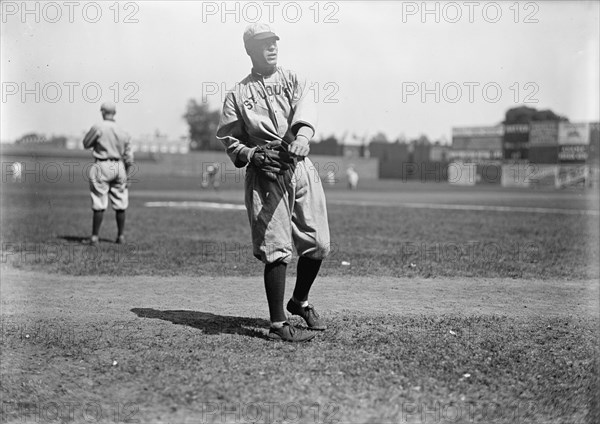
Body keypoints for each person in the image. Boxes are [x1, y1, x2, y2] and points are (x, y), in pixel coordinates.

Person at [216, 23, 331, 342]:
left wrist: (303, 138)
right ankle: (278, 324)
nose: (272, 47)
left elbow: (306, 114)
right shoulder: (238, 92)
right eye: (264, 43)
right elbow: (229, 138)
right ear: (249, 49)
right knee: (276, 247)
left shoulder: (293, 78)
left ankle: (300, 301)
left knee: (318, 244)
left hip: (298, 164)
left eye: (274, 42)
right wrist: (251, 154)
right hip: (266, 171)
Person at [82, 102, 134, 245]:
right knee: (121, 202)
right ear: (115, 113)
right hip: (119, 165)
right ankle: (121, 236)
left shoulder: (99, 127)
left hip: (102, 164)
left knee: (99, 201)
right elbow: (129, 157)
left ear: (103, 112)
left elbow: (86, 144)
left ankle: (94, 237)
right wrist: (128, 174)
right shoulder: (123, 130)